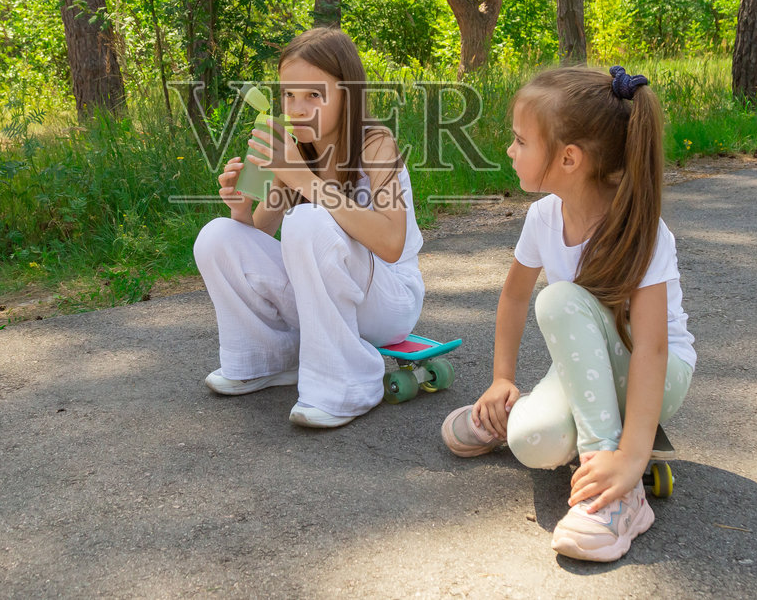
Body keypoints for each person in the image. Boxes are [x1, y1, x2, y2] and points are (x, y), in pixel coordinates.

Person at [439, 65, 694, 562]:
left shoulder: (641, 228)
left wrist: (630, 457)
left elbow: (654, 349)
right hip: (593, 369)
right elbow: (512, 297)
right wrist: (500, 379)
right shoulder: (542, 218)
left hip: (659, 375)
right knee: (532, 443)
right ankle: (513, 411)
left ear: (569, 158)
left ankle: (619, 496)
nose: (510, 151)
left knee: (557, 298)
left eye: (519, 141)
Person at [192, 28, 425, 428]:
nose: (297, 109)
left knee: (311, 217)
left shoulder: (375, 145)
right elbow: (260, 242)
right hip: (320, 298)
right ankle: (267, 358)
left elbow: (391, 244)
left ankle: (348, 386)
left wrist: (308, 183)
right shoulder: (296, 152)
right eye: (288, 95)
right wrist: (241, 210)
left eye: (314, 95)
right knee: (218, 237)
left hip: (389, 301)